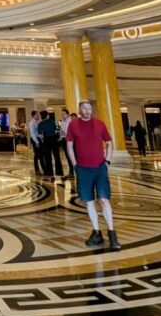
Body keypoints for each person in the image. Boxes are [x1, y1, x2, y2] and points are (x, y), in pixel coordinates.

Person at [66, 100, 120, 250]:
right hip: (82, 169)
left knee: (103, 199)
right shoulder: (73, 124)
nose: (87, 111)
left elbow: (109, 142)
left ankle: (112, 233)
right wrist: (74, 163)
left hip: (99, 167)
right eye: (84, 108)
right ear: (79, 109)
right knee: (89, 201)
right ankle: (97, 232)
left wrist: (107, 160)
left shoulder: (99, 123)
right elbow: (69, 144)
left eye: (89, 108)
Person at [38, 110, 64, 179]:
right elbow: (57, 130)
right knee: (57, 156)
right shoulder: (53, 121)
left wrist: (43, 140)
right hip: (54, 139)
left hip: (46, 140)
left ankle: (50, 173)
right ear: (47, 115)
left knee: (47, 157)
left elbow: (40, 135)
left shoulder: (40, 124)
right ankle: (59, 172)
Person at [60, 108, 77, 180]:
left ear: (67, 114)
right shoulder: (62, 122)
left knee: (73, 156)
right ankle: (71, 173)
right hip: (64, 140)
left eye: (64, 114)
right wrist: (60, 137)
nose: (62, 115)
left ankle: (77, 172)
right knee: (68, 157)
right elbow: (61, 131)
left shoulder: (70, 121)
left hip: (70, 140)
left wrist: (64, 133)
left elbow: (68, 131)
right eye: (62, 114)